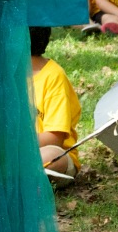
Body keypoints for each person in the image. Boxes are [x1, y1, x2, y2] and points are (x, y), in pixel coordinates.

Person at [29, 26, 80, 180]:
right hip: (13, 152)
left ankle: (23, 176)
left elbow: (55, 139)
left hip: (49, 151)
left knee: (51, 156)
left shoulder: (53, 76)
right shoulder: (6, 75)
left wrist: (16, 143)